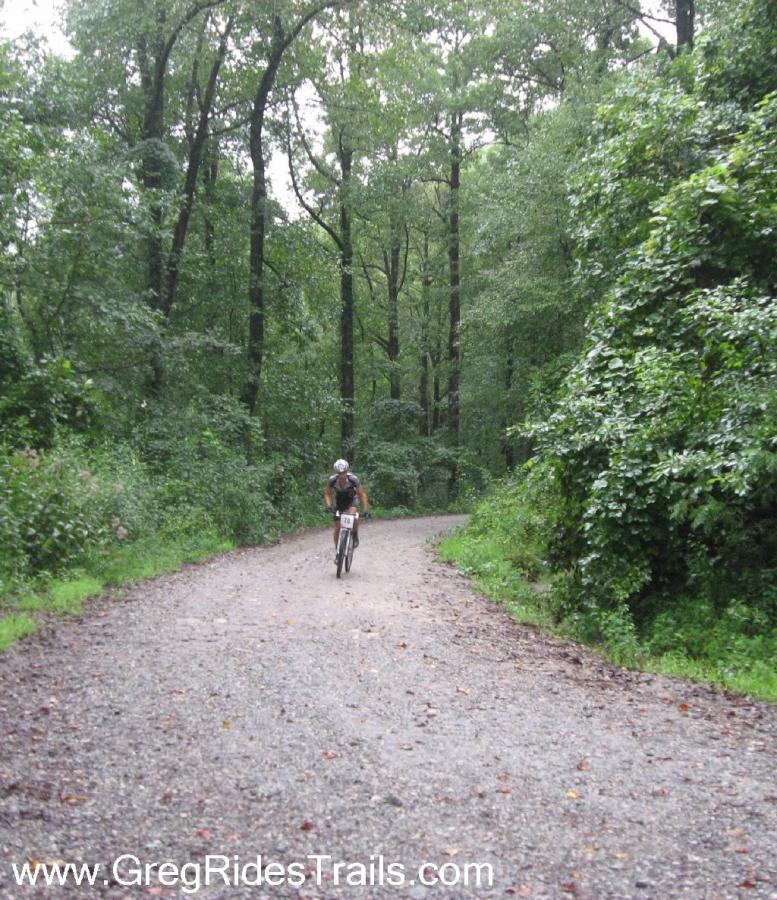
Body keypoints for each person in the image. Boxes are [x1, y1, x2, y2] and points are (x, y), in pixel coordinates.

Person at [323, 458, 370, 560]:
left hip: (351, 500)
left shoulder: (353, 479)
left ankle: (355, 534)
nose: (341, 475)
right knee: (337, 528)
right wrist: (328, 506)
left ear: (347, 471)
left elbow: (362, 494)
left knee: (353, 517)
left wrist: (366, 510)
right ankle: (338, 552)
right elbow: (327, 494)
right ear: (336, 473)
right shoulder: (332, 480)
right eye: (339, 473)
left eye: (343, 472)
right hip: (339, 502)